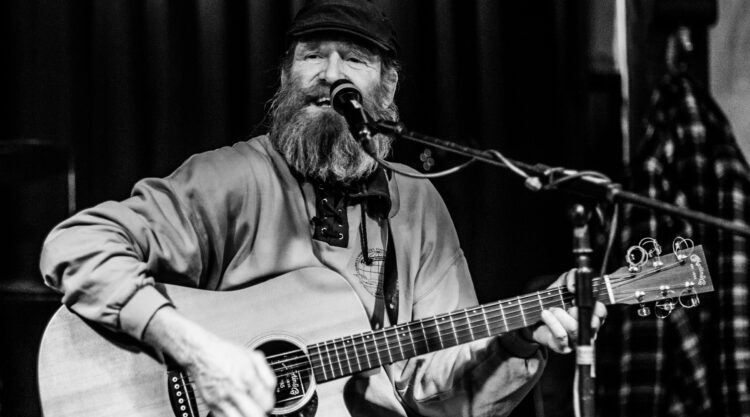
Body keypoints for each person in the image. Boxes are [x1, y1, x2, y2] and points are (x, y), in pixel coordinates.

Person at [39, 1, 607, 416]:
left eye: (353, 59)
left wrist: (518, 339)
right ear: (287, 74)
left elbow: (441, 392)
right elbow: (76, 245)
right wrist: (194, 350)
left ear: (388, 85)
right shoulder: (233, 177)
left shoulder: (417, 203)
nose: (331, 73)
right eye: (313, 56)